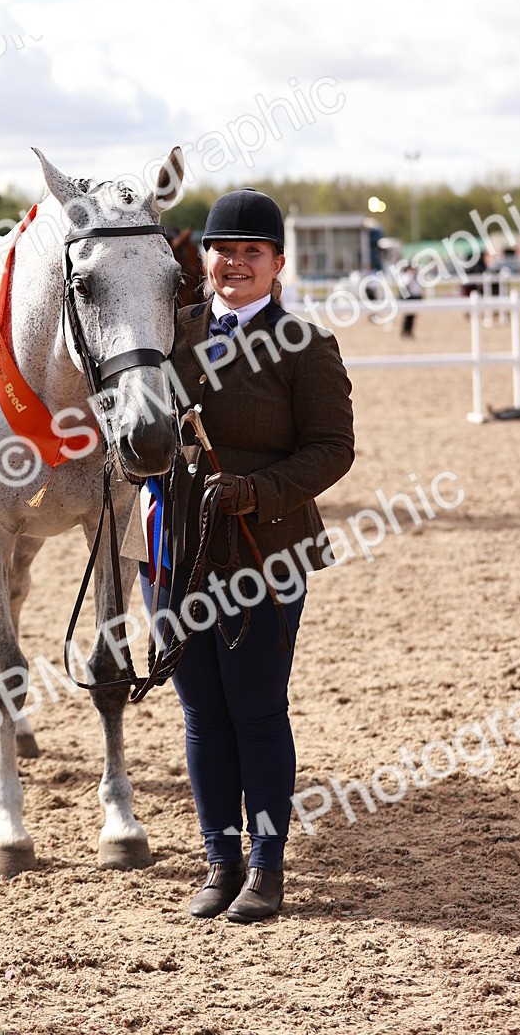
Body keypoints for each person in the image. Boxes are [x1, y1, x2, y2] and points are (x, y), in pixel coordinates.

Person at [129, 188, 355, 923]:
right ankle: (219, 861)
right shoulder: (167, 332)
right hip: (174, 548)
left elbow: (333, 450)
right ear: (206, 259)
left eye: (251, 253)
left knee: (256, 709)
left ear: (278, 264)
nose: (234, 263)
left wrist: (257, 491)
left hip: (265, 547)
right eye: (224, 251)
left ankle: (266, 866)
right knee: (200, 713)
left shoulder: (309, 346)